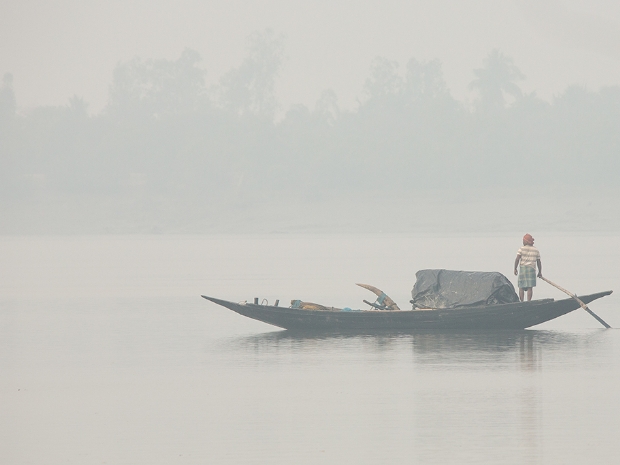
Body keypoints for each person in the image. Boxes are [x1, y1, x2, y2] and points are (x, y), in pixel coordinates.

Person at [514, 233, 542, 302]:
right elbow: (539, 262)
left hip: (523, 269)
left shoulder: (521, 249)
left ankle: (522, 301)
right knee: (530, 287)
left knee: (521, 286)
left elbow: (517, 259)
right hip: (531, 269)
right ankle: (529, 301)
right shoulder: (536, 250)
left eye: (523, 240)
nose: (522, 242)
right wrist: (540, 272)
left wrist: (515, 268)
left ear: (526, 241)